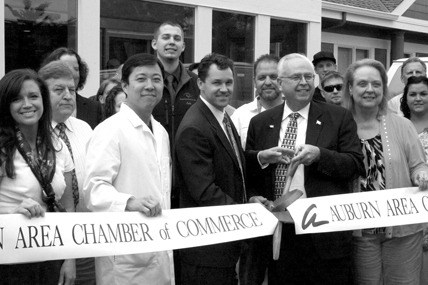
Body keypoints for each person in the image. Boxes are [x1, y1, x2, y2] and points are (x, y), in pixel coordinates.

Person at [245, 53, 364, 284]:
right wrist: (253, 194)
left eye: (309, 76)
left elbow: (355, 165)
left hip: (324, 235)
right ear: (280, 83)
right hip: (279, 233)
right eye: (296, 77)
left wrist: (320, 155)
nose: (304, 82)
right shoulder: (260, 123)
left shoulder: (338, 117)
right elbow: (249, 171)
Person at [83, 53, 174, 284]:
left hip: (160, 245)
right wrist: (129, 201)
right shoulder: (110, 130)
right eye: (141, 79)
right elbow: (93, 189)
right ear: (124, 85)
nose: (150, 86)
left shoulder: (161, 132)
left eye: (156, 79)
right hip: (125, 257)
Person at [342, 58, 428, 284]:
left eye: (376, 84)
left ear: (384, 89)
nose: (370, 90)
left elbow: (418, 165)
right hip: (358, 233)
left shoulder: (403, 125)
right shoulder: (339, 125)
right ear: (350, 88)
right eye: (362, 84)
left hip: (403, 232)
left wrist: (421, 175)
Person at [174, 53, 246, 285]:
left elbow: (228, 161)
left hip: (223, 246)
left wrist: (258, 157)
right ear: (200, 84)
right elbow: (204, 191)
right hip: (206, 251)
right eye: (217, 83)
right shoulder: (194, 127)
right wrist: (247, 215)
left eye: (228, 82)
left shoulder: (222, 116)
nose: (224, 89)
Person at [0, 69, 75, 284]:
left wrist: (69, 259)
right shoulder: (2, 148)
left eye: (33, 96)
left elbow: (68, 207)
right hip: (10, 262)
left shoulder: (58, 146)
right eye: (17, 99)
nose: (27, 104)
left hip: (52, 255)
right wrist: (12, 216)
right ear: (6, 105)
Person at [38, 61, 95, 285]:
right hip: (50, 242)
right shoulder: (34, 134)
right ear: (42, 94)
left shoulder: (85, 129)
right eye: (58, 90)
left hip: (88, 239)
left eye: (71, 90)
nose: (68, 96)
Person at [151, 21, 199, 145]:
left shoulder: (197, 83)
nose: (172, 42)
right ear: (154, 44)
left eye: (177, 38)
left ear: (183, 46)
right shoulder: (145, 84)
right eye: (166, 37)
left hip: (188, 160)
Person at [400, 75, 428, 284]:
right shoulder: (397, 124)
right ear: (405, 97)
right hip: (404, 203)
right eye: (413, 94)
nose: (418, 98)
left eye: (424, 94)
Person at [42, 47, 103, 129]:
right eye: (65, 67)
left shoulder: (94, 108)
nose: (72, 73)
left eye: (76, 69)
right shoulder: (38, 115)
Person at [232, 54, 283, 149]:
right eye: (262, 78)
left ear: (282, 80)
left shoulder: (294, 114)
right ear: (254, 82)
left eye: (273, 77)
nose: (268, 82)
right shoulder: (240, 116)